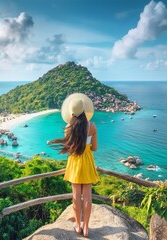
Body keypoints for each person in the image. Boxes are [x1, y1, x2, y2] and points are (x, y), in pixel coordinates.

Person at [48, 93, 100, 237]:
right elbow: (94, 148)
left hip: (75, 162)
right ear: (85, 110)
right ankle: (87, 227)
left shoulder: (68, 127)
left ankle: (77, 226)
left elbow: (70, 147)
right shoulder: (92, 126)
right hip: (88, 162)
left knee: (76, 196)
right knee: (88, 196)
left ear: (71, 112)